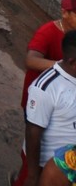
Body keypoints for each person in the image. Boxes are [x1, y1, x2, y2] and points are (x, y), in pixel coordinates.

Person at [18, 31, 76, 186]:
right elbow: (33, 132)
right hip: (50, 169)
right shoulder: (46, 87)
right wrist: (32, 175)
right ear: (73, 62)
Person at [22, 0, 76, 111]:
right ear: (64, 13)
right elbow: (30, 61)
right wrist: (64, 66)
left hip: (66, 101)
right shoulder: (47, 32)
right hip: (40, 101)